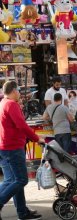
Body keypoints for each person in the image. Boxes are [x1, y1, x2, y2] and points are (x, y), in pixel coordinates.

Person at [0, 81, 44, 220]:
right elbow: (22, 125)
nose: (19, 93)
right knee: (21, 180)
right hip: (12, 147)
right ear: (14, 91)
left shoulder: (3, 103)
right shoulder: (11, 104)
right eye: (18, 90)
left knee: (11, 180)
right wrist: (36, 138)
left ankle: (22, 212)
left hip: (5, 147)